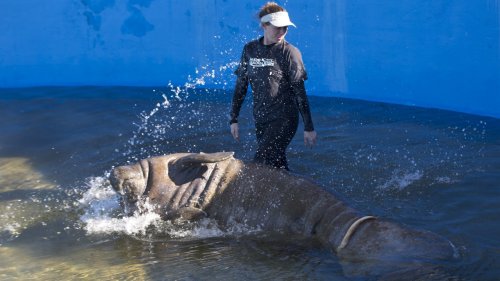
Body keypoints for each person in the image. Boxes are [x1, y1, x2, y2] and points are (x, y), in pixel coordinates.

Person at [230, 2, 317, 170]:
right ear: (264, 25)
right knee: (276, 167)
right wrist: (233, 118)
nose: (282, 32)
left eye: (286, 28)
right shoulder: (250, 49)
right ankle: (294, 194)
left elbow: (299, 91)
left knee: (259, 165)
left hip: (284, 119)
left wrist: (309, 127)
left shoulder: (290, 52)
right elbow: (241, 85)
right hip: (262, 119)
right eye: (278, 27)